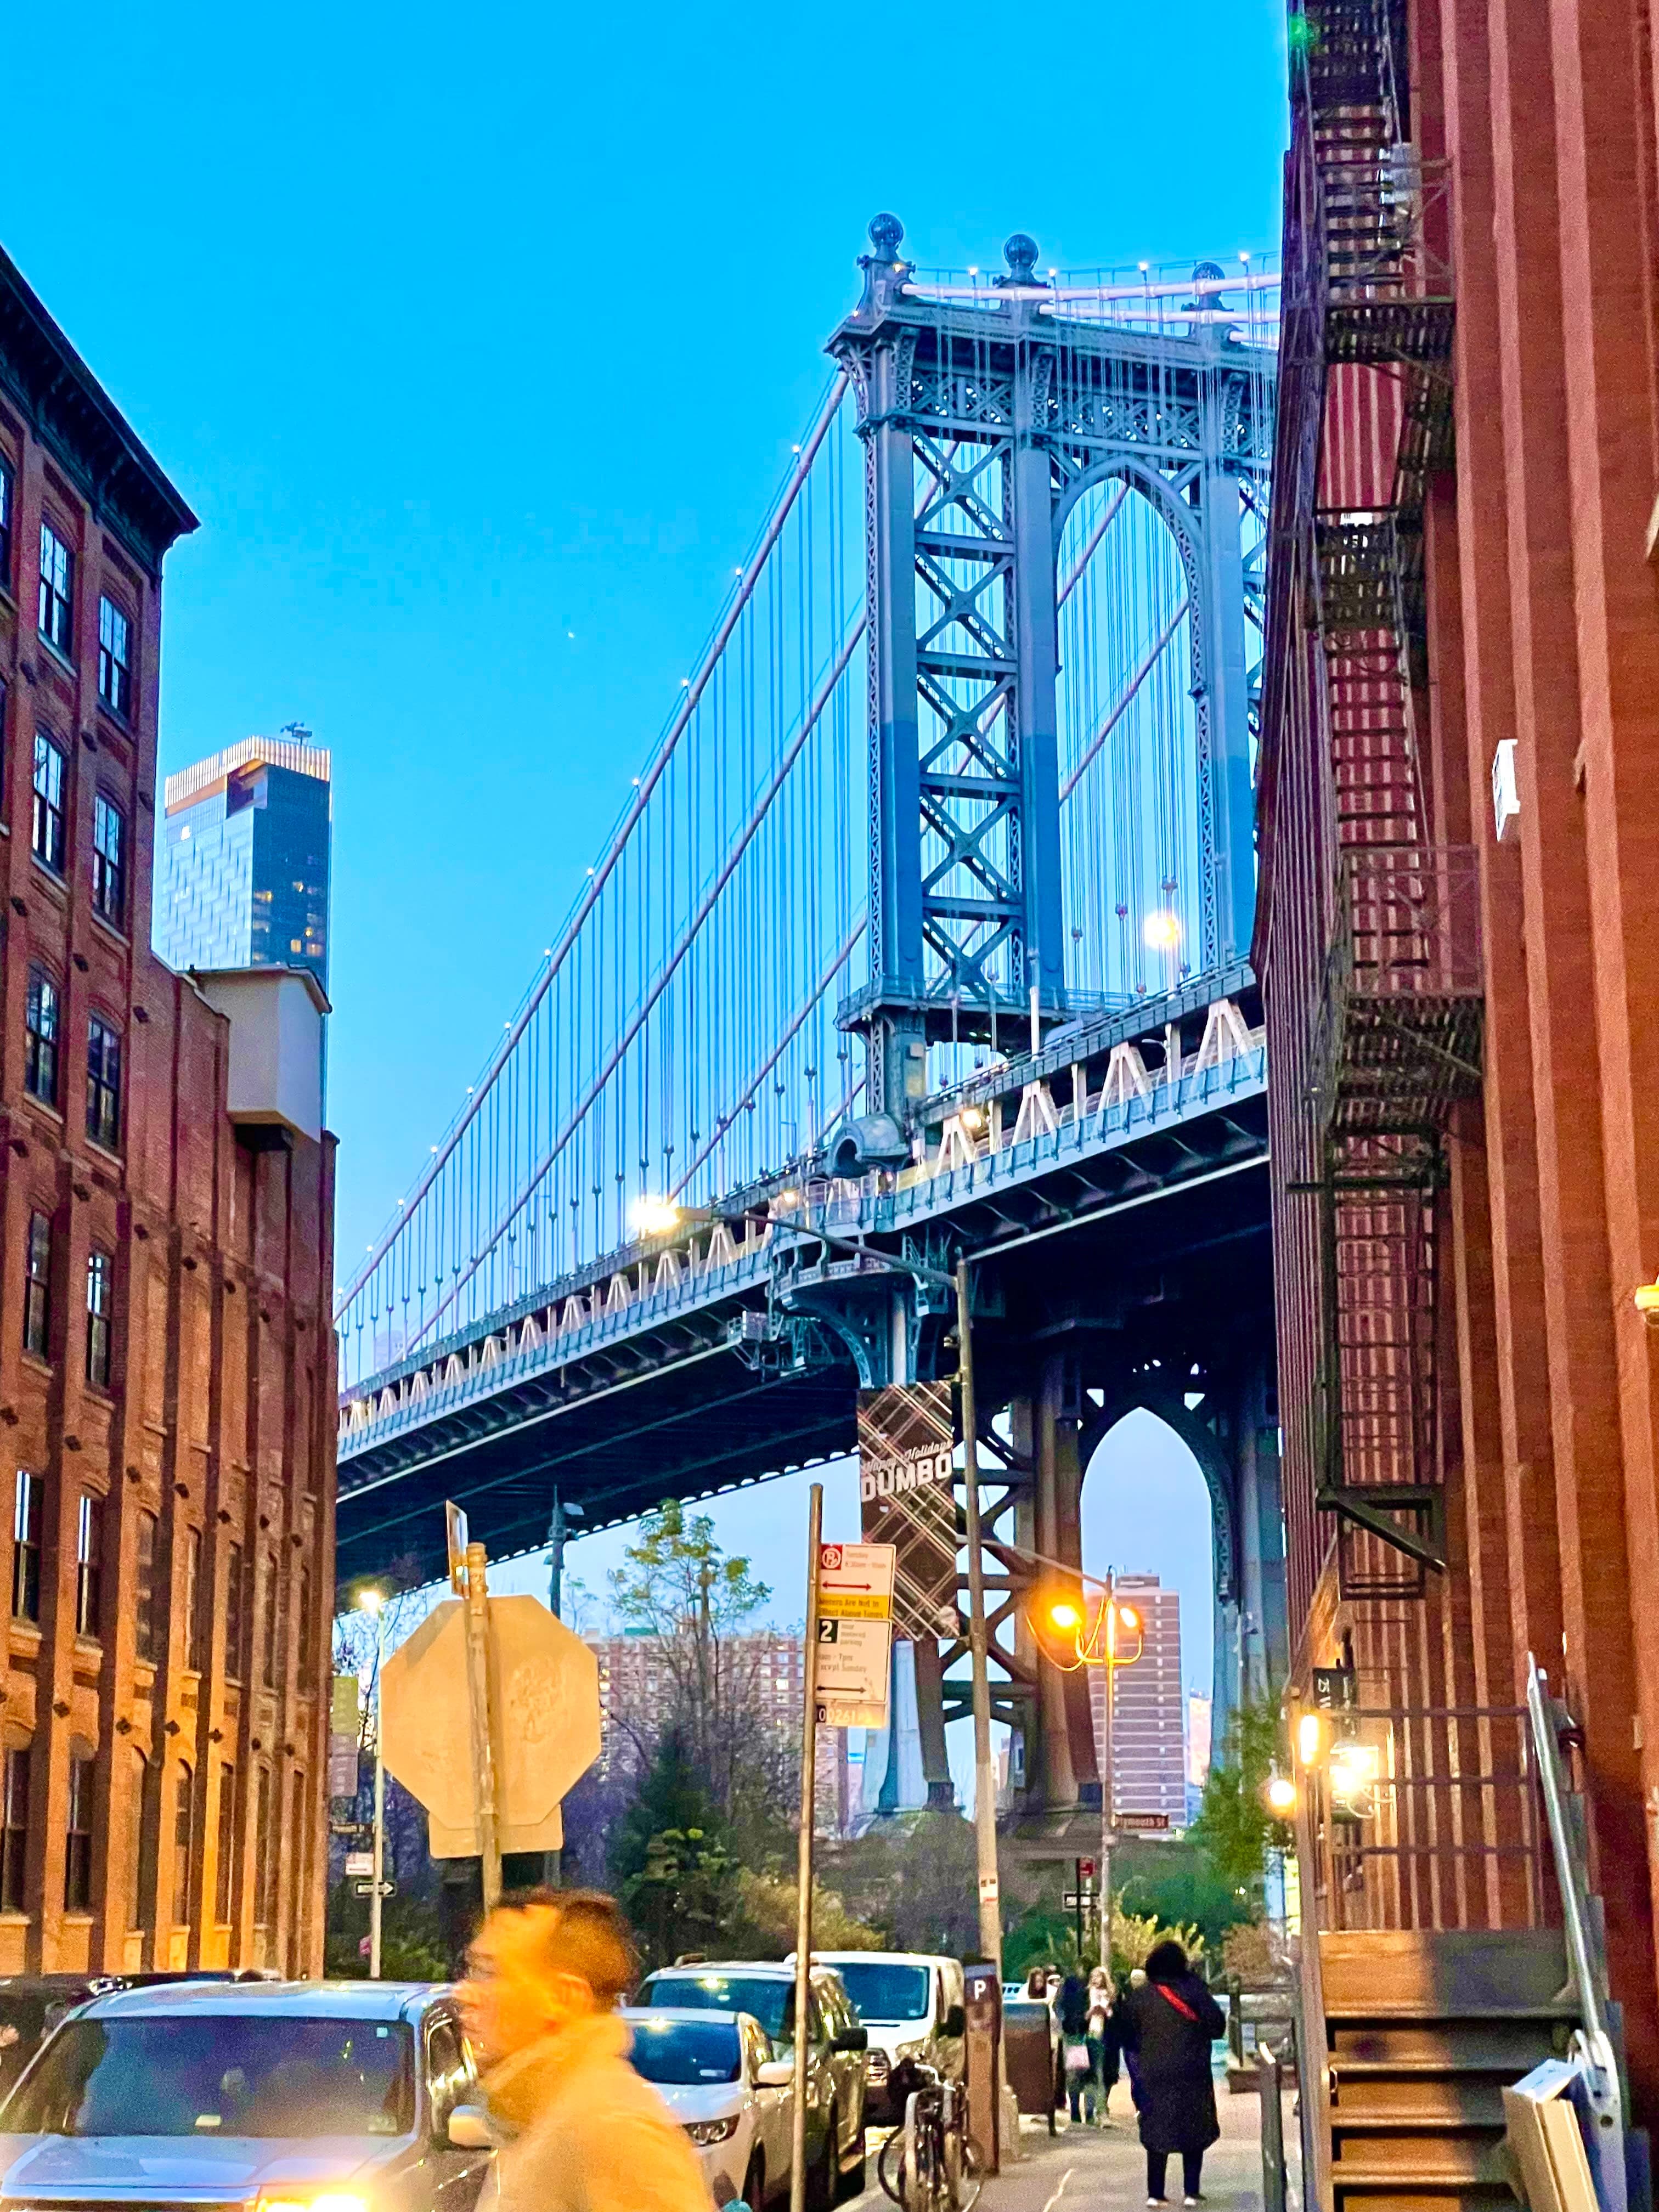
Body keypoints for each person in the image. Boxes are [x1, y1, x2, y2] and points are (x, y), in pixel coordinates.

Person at [459, 1887, 712, 2212]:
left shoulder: (611, 2129)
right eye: (471, 1969)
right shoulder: (539, 2116)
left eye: (491, 1973)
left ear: (564, 1998)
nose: (466, 1993)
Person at [1115, 1938, 1226, 2207]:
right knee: (1193, 2127)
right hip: (1193, 2071)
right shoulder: (1195, 1991)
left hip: (1154, 2073)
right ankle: (1191, 2191)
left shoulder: (1141, 1997)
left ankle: (1155, 2193)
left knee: (1156, 2130)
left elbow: (1125, 2035)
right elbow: (1217, 2026)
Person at [1057, 1970, 1095, 2124]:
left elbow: (1058, 2006)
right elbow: (1058, 2007)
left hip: (1079, 2034)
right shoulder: (1072, 1986)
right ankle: (1082, 2112)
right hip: (1079, 2034)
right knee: (1083, 2074)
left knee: (1081, 2074)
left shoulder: (1070, 1986)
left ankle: (1081, 2112)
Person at [1086, 1966, 1119, 2126]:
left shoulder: (1111, 1996)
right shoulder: (1088, 1993)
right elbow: (1082, 2016)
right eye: (1094, 1977)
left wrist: (1106, 2010)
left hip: (1105, 2036)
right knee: (1092, 2075)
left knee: (1103, 2074)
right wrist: (1091, 2011)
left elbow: (1115, 2017)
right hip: (1091, 2035)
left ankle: (1100, 2110)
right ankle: (1094, 2112)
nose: (1096, 1980)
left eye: (1099, 1977)